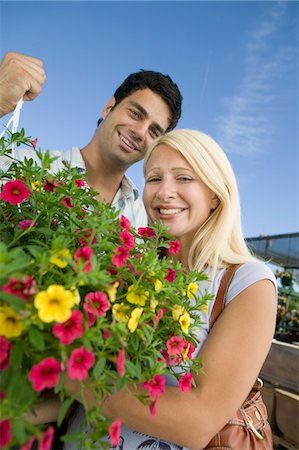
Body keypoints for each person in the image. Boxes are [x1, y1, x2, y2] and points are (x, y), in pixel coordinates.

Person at [64, 129, 277, 449]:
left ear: (216, 194)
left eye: (184, 178)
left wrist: (73, 380)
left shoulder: (248, 283)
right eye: (153, 178)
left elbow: (196, 422)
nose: (165, 191)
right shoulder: (134, 269)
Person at [0, 51, 183, 228]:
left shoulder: (142, 218)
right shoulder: (24, 167)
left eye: (154, 132)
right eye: (135, 113)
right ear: (108, 108)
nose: (140, 132)